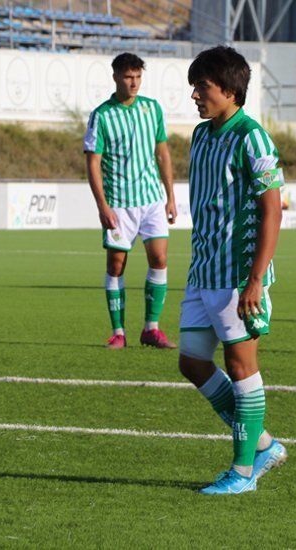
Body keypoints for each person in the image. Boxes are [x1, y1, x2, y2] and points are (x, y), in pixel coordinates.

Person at [178, 46, 288, 496]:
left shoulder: (253, 138)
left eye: (202, 87)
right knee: (191, 361)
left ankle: (244, 472)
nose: (195, 96)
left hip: (238, 273)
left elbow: (272, 211)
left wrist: (256, 279)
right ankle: (261, 442)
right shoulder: (201, 136)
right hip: (202, 268)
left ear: (229, 89)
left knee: (241, 365)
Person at [84, 53, 177, 349]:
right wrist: (102, 205)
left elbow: (162, 153)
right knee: (116, 265)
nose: (134, 82)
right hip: (119, 202)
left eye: (138, 76)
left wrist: (171, 196)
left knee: (160, 259)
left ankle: (151, 328)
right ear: (115, 77)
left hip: (151, 199)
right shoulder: (101, 115)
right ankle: (119, 333)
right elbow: (93, 163)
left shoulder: (152, 109)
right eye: (128, 76)